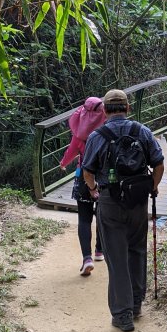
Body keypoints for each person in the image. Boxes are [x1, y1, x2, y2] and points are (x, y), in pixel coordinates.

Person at [81, 89, 164, 332]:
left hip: (110, 201)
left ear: (105, 111)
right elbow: (158, 163)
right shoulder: (142, 131)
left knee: (116, 257)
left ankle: (122, 314)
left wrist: (94, 189)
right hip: (138, 201)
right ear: (127, 108)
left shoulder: (98, 135)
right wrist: (153, 187)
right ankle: (136, 304)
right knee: (137, 250)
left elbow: (88, 171)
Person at [60, 96, 107, 276]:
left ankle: (86, 258)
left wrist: (64, 163)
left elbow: (72, 150)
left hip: (83, 177)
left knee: (84, 218)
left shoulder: (80, 131)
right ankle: (99, 251)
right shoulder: (106, 129)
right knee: (102, 215)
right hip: (104, 178)